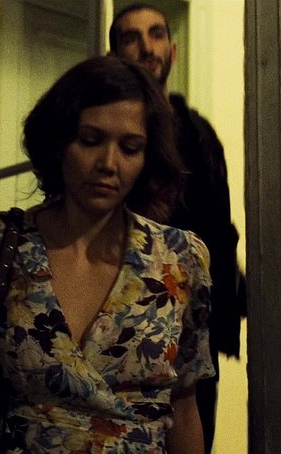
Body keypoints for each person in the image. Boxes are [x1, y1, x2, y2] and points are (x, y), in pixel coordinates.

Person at [0, 56, 215, 454]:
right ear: (59, 143)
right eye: (90, 140)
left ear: (148, 157)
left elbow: (184, 408)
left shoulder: (179, 259)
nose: (108, 164)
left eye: (130, 147)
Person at [108, 4, 247, 453]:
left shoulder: (199, 135)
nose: (146, 47)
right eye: (131, 37)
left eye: (156, 34)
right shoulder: (107, 137)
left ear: (173, 49)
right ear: (114, 54)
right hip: (119, 321)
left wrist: (229, 303)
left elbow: (219, 231)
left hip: (190, 330)